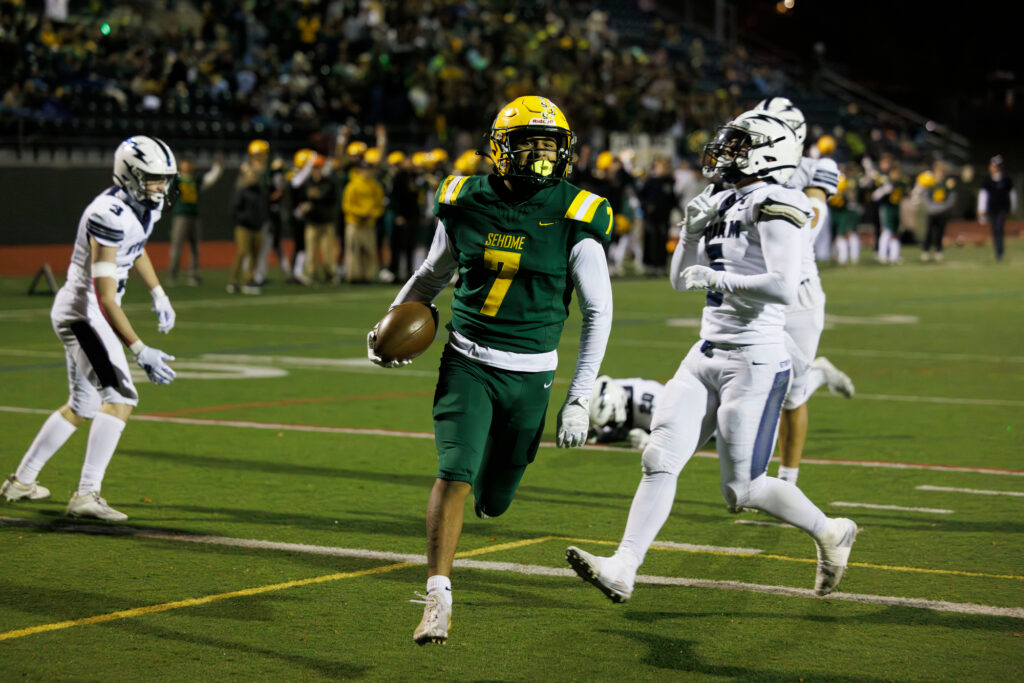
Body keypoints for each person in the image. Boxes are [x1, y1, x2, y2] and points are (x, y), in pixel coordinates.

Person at [565, 110, 857, 605]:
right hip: (704, 352)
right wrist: (692, 234)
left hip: (755, 359)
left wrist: (719, 278)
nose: (724, 153)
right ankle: (623, 567)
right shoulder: (723, 198)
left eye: (737, 145)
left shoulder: (779, 201)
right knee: (659, 457)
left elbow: (783, 287)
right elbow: (681, 278)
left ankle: (830, 530)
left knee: (741, 491)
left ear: (766, 152)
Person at [367, 96, 613, 645]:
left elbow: (598, 312)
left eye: (550, 146)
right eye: (530, 144)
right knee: (454, 471)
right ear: (501, 149)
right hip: (468, 359)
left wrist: (579, 396)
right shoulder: (464, 201)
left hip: (531, 374)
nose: (542, 156)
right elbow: (431, 277)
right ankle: (437, 596)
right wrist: (387, 325)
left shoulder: (578, 215)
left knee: (494, 501)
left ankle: (488, 496)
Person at [1, 136, 178, 521]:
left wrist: (158, 292)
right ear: (129, 175)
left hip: (87, 311)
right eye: (153, 179)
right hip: (83, 313)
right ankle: (86, 494)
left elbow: (138, 246)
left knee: (83, 404)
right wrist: (138, 348)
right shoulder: (107, 214)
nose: (161, 187)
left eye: (164, 179)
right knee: (122, 397)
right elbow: (105, 300)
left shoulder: (143, 206)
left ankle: (21, 481)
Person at [756, 98, 856, 488]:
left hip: (799, 296)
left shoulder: (817, 167)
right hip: (758, 294)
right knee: (756, 382)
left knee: (791, 396)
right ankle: (753, 479)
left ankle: (788, 480)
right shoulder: (748, 169)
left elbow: (811, 223)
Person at [167, 155, 222, 286]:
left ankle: (192, 274)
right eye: (185, 163)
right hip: (181, 215)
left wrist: (218, 168)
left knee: (195, 247)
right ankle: (172, 274)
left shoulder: (195, 180)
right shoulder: (177, 179)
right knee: (177, 246)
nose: (187, 165)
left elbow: (209, 179)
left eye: (189, 163)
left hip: (194, 216)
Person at [228, 139, 271, 293]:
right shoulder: (243, 186)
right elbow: (235, 205)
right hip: (244, 223)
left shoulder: (261, 185)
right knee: (242, 251)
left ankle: (250, 280)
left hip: (257, 223)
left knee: (255, 254)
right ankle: (234, 280)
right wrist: (240, 218)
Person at [588, 375, 665, 451]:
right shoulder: (609, 389)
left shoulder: (653, 404)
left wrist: (651, 441)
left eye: (610, 420)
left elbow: (675, 435)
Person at [297, 154, 340, 283]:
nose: (316, 170)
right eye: (314, 167)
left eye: (318, 167)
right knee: (311, 252)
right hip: (312, 222)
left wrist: (315, 198)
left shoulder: (329, 182)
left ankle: (330, 275)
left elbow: (325, 196)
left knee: (328, 253)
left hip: (326, 221)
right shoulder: (307, 182)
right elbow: (302, 199)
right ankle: (312, 275)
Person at [342, 156, 385, 283]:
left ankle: (366, 276)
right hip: (354, 222)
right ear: (359, 170)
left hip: (369, 223)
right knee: (353, 250)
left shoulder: (376, 186)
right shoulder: (352, 185)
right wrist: (361, 213)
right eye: (365, 169)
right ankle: (353, 276)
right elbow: (347, 205)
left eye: (369, 169)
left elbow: (380, 205)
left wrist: (373, 214)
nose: (367, 172)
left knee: (368, 251)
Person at [978, 155, 1017, 262]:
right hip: (992, 209)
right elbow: (983, 195)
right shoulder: (987, 180)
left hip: (1003, 208)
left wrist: (1013, 208)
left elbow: (1012, 194)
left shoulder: (1006, 180)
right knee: (995, 229)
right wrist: (981, 210)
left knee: (999, 227)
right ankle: (997, 252)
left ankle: (1000, 251)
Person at [921, 160, 958, 262]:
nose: (940, 173)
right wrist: (931, 207)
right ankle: (925, 250)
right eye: (938, 171)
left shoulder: (947, 184)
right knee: (929, 232)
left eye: (942, 171)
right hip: (931, 212)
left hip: (942, 212)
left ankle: (938, 251)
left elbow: (951, 198)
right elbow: (925, 197)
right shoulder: (930, 183)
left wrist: (944, 207)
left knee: (940, 232)